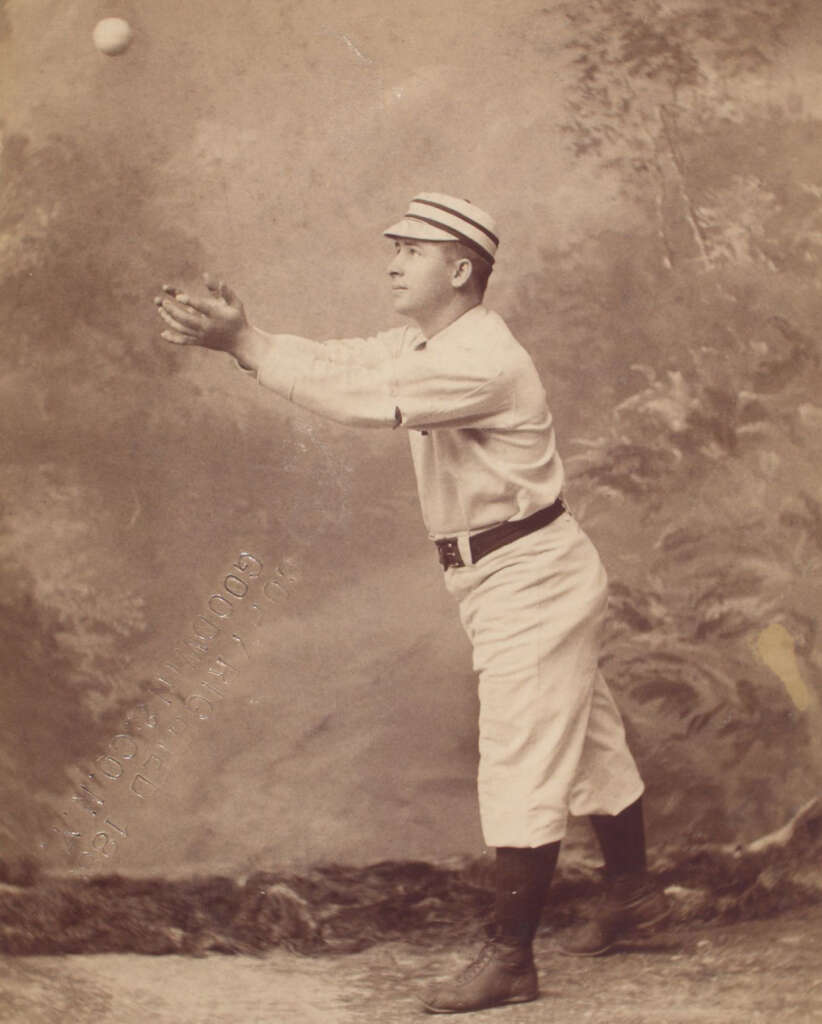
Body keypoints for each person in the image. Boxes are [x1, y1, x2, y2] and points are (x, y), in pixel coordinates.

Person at [154, 192, 669, 1014]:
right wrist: (246, 344)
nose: (393, 262)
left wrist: (244, 343)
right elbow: (353, 364)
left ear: (461, 270)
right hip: (514, 570)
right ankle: (636, 897)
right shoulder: (430, 340)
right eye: (393, 248)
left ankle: (511, 960)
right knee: (588, 742)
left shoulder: (483, 359)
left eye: (413, 250)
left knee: (519, 759)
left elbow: (367, 402)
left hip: (530, 576)